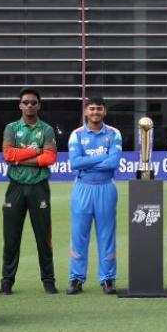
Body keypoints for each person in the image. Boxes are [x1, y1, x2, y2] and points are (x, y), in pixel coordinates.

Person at [0, 88, 58, 295]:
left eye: (33, 102)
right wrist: (35, 151)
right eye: (25, 102)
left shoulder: (47, 129)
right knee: (11, 237)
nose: (29, 105)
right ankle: (7, 282)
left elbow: (50, 158)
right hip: (15, 186)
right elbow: (8, 155)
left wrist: (20, 158)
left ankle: (48, 280)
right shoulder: (11, 128)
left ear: (38, 105)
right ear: (20, 105)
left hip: (39, 187)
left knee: (43, 237)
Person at [65, 97, 123, 295]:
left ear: (104, 111)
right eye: (92, 109)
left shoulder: (114, 133)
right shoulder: (76, 134)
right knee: (79, 234)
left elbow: (113, 162)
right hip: (83, 188)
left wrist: (88, 161)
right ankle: (76, 278)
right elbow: (75, 163)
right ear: (85, 111)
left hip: (106, 187)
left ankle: (108, 279)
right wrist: (102, 157)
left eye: (99, 108)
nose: (95, 112)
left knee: (106, 234)